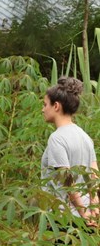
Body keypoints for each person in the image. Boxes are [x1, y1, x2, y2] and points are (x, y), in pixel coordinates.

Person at [41, 77, 99, 227]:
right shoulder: (84, 136)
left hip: (62, 217)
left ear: (56, 106)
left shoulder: (57, 138)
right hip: (86, 215)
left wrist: (83, 213)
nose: (43, 109)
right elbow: (94, 176)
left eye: (45, 104)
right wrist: (94, 207)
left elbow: (67, 180)